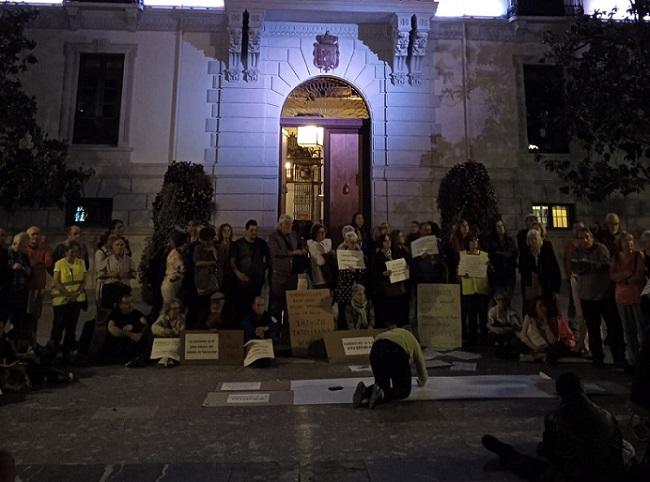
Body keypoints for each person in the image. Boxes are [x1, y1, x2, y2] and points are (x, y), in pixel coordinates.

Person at [482, 372, 625, 482]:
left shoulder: (555, 416)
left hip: (577, 476)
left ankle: (507, 453)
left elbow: (550, 452)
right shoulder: (606, 415)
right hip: (612, 474)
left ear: (559, 393)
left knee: (529, 464)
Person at [571, 227, 626, 366]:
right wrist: (592, 266)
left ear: (592, 237)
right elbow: (577, 267)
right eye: (581, 238)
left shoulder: (601, 249)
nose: (584, 240)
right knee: (593, 328)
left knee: (614, 328)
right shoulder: (576, 252)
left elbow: (605, 266)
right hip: (588, 297)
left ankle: (619, 357)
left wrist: (588, 265)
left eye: (587, 237)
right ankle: (597, 357)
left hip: (605, 295)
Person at [353, 327, 427, 409]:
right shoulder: (412, 339)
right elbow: (420, 360)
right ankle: (382, 393)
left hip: (376, 350)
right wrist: (423, 379)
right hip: (395, 351)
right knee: (403, 391)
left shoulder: (391, 333)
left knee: (381, 385)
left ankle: (364, 392)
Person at [610, 232, 647, 368]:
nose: (629, 244)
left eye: (631, 241)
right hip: (621, 297)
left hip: (636, 296)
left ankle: (644, 357)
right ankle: (633, 358)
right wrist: (625, 277)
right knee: (628, 329)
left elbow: (638, 276)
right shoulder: (616, 258)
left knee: (641, 328)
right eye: (626, 241)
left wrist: (623, 278)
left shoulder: (638, 256)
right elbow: (613, 276)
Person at [48, 241, 86, 360]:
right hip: (61, 300)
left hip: (76, 299)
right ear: (66, 252)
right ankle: (52, 353)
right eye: (72, 251)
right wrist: (68, 294)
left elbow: (83, 281)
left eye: (76, 251)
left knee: (72, 327)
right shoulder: (59, 264)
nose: (74, 254)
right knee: (58, 326)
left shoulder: (81, 262)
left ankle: (67, 352)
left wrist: (77, 293)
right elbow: (56, 281)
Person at [231, 219, 270, 323]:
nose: (254, 232)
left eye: (256, 230)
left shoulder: (261, 243)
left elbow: (268, 259)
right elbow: (232, 261)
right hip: (242, 282)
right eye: (252, 230)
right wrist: (238, 274)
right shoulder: (238, 244)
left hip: (257, 282)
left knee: (255, 308)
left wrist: (262, 268)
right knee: (242, 307)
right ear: (246, 230)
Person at [268, 214, 304, 322]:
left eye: (291, 224)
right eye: (287, 224)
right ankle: (275, 324)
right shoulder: (273, 237)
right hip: (278, 273)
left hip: (292, 273)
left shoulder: (293, 235)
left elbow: (298, 246)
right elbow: (275, 252)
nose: (289, 226)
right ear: (280, 225)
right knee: (277, 300)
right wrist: (292, 253)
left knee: (290, 300)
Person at [520, 297, 576, 363]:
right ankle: (541, 356)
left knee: (561, 346)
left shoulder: (551, 320)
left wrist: (546, 325)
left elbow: (552, 341)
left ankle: (543, 356)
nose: (543, 308)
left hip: (546, 348)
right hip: (532, 346)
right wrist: (535, 347)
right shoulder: (529, 318)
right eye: (540, 306)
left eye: (544, 306)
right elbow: (523, 336)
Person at [370, 233, 408, 328]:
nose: (388, 242)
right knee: (387, 311)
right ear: (381, 242)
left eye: (389, 240)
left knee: (398, 309)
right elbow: (373, 272)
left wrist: (405, 267)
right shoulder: (377, 256)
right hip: (385, 288)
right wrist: (383, 274)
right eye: (385, 241)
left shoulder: (396, 253)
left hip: (397, 287)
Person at [519, 228, 561, 314]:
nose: (533, 241)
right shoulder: (524, 254)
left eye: (535, 238)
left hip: (547, 287)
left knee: (549, 311)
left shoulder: (547, 251)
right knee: (532, 312)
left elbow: (555, 270)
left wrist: (556, 289)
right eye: (530, 239)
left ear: (539, 239)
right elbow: (522, 271)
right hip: (532, 287)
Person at [458, 233, 490, 345]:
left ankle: (484, 338)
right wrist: (462, 273)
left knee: (482, 315)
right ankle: (472, 338)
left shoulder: (484, 255)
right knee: (471, 316)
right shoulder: (463, 255)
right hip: (468, 289)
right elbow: (458, 271)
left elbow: (488, 271)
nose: (473, 243)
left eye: (475, 241)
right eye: (471, 241)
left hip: (481, 289)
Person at [104, 294, 149, 367]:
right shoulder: (115, 315)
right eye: (127, 303)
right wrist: (130, 335)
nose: (130, 305)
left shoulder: (136, 313)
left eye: (131, 302)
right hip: (121, 344)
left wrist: (140, 334)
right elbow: (111, 329)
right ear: (120, 305)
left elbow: (145, 324)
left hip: (135, 343)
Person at [3, 233, 31, 348]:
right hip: (7, 293)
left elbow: (29, 272)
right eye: (24, 246)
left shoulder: (24, 256)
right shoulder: (4, 254)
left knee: (18, 323)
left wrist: (27, 271)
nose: (26, 248)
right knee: (3, 321)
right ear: (17, 243)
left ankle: (13, 348)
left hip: (20, 294)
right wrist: (11, 268)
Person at [189, 226, 221, 329]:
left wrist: (214, 252)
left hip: (214, 283)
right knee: (202, 308)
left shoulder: (216, 248)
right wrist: (211, 262)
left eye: (211, 239)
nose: (209, 241)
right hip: (202, 282)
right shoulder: (198, 248)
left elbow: (219, 261)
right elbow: (197, 262)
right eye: (207, 239)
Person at [25, 225, 52, 342]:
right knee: (24, 315)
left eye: (37, 234)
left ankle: (33, 341)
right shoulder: (24, 249)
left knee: (36, 316)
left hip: (39, 287)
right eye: (33, 234)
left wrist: (35, 263)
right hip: (26, 288)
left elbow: (48, 262)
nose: (35, 237)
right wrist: (38, 263)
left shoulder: (44, 249)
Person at [334, 230, 366, 329]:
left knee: (354, 312)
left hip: (354, 286)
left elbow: (363, 272)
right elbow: (336, 271)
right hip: (343, 287)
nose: (353, 244)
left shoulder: (359, 254)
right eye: (351, 242)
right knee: (343, 311)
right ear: (346, 242)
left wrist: (355, 271)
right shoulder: (341, 254)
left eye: (355, 242)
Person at [97, 236, 136, 307]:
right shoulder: (107, 260)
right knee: (107, 309)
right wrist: (111, 274)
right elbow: (100, 274)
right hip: (110, 288)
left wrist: (125, 275)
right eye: (117, 245)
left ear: (125, 246)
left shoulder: (129, 260)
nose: (119, 247)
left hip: (124, 287)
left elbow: (134, 274)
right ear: (112, 247)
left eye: (121, 245)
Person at [485, 218, 518, 299]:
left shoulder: (510, 240)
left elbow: (512, 253)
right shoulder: (492, 242)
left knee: (508, 298)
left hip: (509, 274)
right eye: (498, 226)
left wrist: (500, 253)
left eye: (502, 225)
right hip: (497, 274)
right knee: (498, 298)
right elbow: (491, 255)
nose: (501, 228)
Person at [487, 291, 521, 359]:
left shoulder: (510, 311)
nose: (501, 302)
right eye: (499, 300)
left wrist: (512, 326)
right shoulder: (492, 311)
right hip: (497, 332)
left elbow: (517, 325)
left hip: (507, 332)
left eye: (503, 299)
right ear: (496, 300)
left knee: (514, 342)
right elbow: (490, 326)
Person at [151, 299, 185, 367]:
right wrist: (163, 330)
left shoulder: (182, 317)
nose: (177, 311)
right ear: (168, 310)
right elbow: (154, 327)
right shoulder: (163, 317)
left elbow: (182, 330)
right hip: (165, 339)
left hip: (176, 340)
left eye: (178, 308)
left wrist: (174, 331)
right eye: (174, 309)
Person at [160, 231, 188, 309]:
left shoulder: (174, 252)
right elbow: (182, 268)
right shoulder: (176, 253)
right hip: (172, 282)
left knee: (169, 307)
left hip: (171, 281)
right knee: (170, 309)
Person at [217, 223, 236, 326]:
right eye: (224, 231)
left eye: (229, 230)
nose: (227, 233)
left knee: (230, 302)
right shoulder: (217, 245)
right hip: (219, 277)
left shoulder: (233, 245)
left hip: (230, 277)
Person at [308, 224, 333, 289]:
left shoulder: (325, 244)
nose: (322, 234)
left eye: (324, 232)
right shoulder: (313, 245)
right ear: (315, 233)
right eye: (320, 232)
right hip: (319, 276)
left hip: (328, 275)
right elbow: (320, 261)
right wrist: (327, 255)